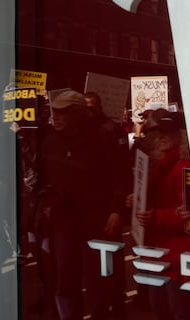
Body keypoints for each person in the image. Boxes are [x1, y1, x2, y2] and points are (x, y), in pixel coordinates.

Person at [39, 89, 127, 320]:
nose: (56, 117)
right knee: (65, 281)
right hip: (63, 224)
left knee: (97, 280)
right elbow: (41, 179)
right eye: (54, 111)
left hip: (96, 223)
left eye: (62, 112)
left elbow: (120, 178)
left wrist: (116, 211)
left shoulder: (102, 140)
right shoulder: (49, 143)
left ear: (78, 114)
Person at [132, 110, 190, 320]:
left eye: (169, 132)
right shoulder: (162, 164)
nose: (161, 136)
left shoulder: (188, 167)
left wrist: (154, 217)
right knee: (163, 309)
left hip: (180, 257)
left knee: (180, 311)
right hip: (162, 254)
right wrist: (136, 200)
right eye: (159, 132)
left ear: (182, 135)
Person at [84, 91, 131, 319]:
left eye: (91, 107)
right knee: (92, 269)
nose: (88, 112)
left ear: (100, 107)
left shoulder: (112, 131)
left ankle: (118, 308)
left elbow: (121, 175)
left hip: (107, 210)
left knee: (112, 264)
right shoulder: (79, 132)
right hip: (86, 213)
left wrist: (116, 210)